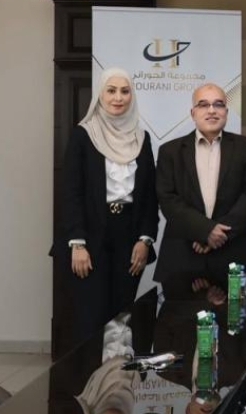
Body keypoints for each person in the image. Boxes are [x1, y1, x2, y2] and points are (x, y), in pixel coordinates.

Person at [62, 68, 159, 344]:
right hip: (90, 237)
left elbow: (150, 195)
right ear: (100, 95)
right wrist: (77, 243)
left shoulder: (142, 139)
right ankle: (90, 372)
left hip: (129, 237)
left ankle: (118, 371)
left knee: (122, 315)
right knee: (91, 317)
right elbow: (71, 193)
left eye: (125, 91)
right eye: (111, 90)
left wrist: (145, 239)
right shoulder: (84, 135)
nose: (118, 98)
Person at [155, 84, 246, 282]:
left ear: (226, 112)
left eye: (218, 104)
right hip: (182, 256)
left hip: (232, 254)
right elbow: (167, 200)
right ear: (193, 113)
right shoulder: (170, 151)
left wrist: (217, 235)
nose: (211, 110)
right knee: (179, 304)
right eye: (203, 105)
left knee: (234, 305)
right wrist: (204, 231)